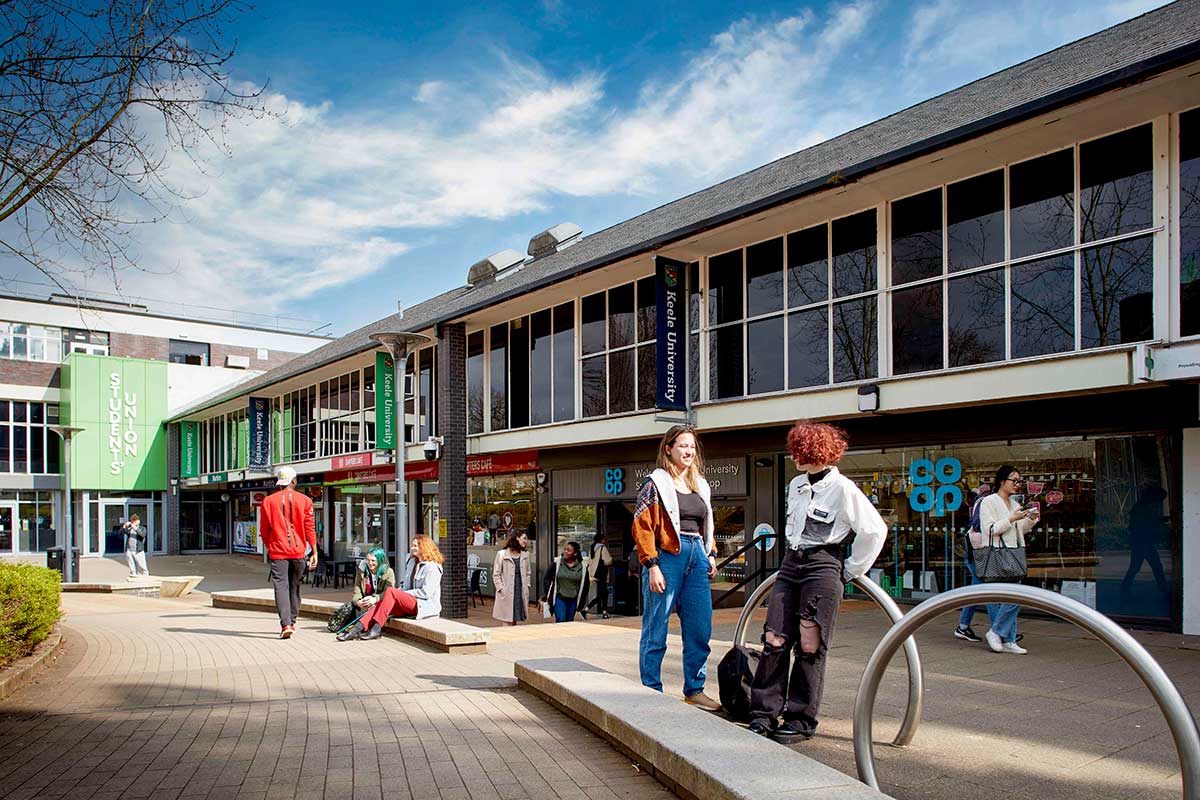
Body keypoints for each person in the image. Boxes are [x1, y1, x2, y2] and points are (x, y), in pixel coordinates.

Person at [747, 422, 887, 742]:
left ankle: (800, 719)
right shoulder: (797, 484)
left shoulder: (844, 489)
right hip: (791, 562)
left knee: (810, 645)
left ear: (816, 452)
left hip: (824, 564)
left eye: (800, 451)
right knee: (775, 638)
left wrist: (850, 569)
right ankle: (763, 713)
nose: (794, 456)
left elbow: (874, 530)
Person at [632, 424, 721, 711]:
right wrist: (652, 564)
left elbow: (707, 524)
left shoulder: (701, 485)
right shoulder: (654, 483)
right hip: (667, 555)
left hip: (697, 554)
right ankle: (651, 690)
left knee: (699, 627)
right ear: (668, 449)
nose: (689, 451)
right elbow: (642, 526)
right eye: (683, 445)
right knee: (656, 626)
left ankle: (694, 689)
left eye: (692, 446)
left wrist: (712, 554)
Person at [975, 465, 1039, 655]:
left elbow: (1021, 530)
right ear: (1002, 481)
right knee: (1003, 598)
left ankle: (1003, 636)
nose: (1017, 484)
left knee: (1012, 597)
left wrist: (1031, 519)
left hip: (1013, 553)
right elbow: (990, 530)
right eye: (1014, 480)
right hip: (997, 554)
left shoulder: (1014, 503)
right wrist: (1012, 519)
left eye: (1019, 481)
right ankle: (1002, 635)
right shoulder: (988, 502)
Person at [338, 535, 444, 641]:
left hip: (423, 605)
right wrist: (400, 592)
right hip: (409, 603)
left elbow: (426, 593)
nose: (412, 548)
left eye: (416, 546)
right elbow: (405, 586)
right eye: (412, 545)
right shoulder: (412, 562)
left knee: (390, 592)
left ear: (425, 547)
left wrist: (403, 594)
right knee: (380, 604)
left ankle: (376, 629)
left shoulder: (432, 567)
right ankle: (355, 630)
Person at [259, 466, 318, 639]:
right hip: (299, 552)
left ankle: (286, 624)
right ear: (293, 481)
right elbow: (310, 528)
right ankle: (292, 620)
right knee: (295, 587)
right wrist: (314, 551)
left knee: (281, 588)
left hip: (278, 553)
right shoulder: (306, 501)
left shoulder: (268, 502)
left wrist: (270, 546)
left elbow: (264, 530)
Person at [542, 541, 591, 622]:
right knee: (561, 620)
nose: (565, 552)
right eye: (564, 549)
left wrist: (582, 601)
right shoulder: (556, 563)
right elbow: (547, 578)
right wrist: (548, 595)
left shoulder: (583, 567)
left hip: (573, 599)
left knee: (569, 621)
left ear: (575, 553)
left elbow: (586, 585)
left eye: (569, 550)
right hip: (559, 598)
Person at [492, 531, 532, 625]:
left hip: (519, 591)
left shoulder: (525, 555)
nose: (526, 541)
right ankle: (505, 639)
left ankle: (513, 639)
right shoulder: (501, 554)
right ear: (517, 538)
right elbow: (496, 574)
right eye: (524, 538)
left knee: (515, 619)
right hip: (507, 591)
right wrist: (501, 589)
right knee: (506, 619)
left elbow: (528, 573)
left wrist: (527, 586)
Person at [351, 547, 395, 616]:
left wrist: (375, 599)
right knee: (349, 608)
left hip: (378, 603)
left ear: (380, 561)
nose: (370, 563)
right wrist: (358, 601)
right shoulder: (362, 571)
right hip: (364, 603)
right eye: (368, 560)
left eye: (373, 561)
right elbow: (357, 589)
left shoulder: (388, 572)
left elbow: (388, 592)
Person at [586, 532, 614, 618]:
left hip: (594, 573)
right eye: (604, 539)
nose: (605, 540)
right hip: (602, 573)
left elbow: (589, 562)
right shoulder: (602, 548)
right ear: (601, 539)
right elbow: (608, 560)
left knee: (603, 593)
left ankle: (604, 613)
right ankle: (587, 609)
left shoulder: (592, 548)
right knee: (603, 593)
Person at [123, 514, 149, 579]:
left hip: (138, 550)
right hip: (129, 550)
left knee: (142, 564)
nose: (133, 523)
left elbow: (142, 535)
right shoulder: (130, 529)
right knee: (131, 564)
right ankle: (133, 573)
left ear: (138, 521)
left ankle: (145, 575)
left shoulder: (142, 528)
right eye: (132, 521)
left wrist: (135, 528)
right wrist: (124, 526)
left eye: (135, 521)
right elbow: (123, 532)